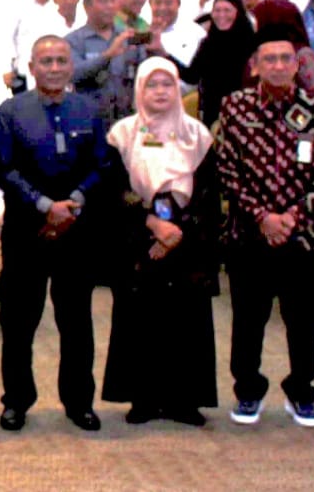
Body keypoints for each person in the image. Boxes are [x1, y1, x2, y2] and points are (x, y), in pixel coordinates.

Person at [215, 27, 314, 429]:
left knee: (303, 322)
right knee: (248, 321)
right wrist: (262, 216)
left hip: (302, 237)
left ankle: (301, 392)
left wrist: (292, 217)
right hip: (248, 235)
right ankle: (248, 390)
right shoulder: (235, 107)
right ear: (255, 66)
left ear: (297, 65)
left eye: (286, 59)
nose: (279, 66)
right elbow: (226, 169)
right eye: (270, 59)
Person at [0, 35, 112, 433]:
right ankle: (16, 401)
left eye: (62, 61)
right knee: (18, 322)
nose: (55, 68)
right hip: (26, 230)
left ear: (71, 66)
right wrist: (45, 205)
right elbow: (4, 169)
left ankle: (79, 402)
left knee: (76, 321)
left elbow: (102, 164)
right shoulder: (11, 111)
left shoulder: (89, 109)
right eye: (47, 61)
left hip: (77, 230)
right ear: (32, 67)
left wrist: (73, 202)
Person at [102, 58, 219, 426]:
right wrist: (151, 224)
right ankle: (144, 399)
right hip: (139, 239)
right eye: (151, 85)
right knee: (141, 320)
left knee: (186, 321)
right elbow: (113, 190)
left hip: (188, 240)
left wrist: (178, 231)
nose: (160, 92)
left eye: (167, 84)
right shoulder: (122, 134)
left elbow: (209, 193)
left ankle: (185, 401)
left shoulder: (197, 135)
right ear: (139, 89)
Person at [67, 0, 148, 122]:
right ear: (86, 6)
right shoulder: (74, 41)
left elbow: (144, 74)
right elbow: (72, 73)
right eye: (103, 1)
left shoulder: (128, 36)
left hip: (127, 119)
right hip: (89, 118)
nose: (110, 6)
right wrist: (107, 56)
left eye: (113, 0)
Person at [173, 0, 257, 129]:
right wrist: (165, 55)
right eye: (217, 10)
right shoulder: (208, 44)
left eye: (227, 10)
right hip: (211, 113)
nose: (221, 15)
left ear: (238, 13)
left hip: (244, 112)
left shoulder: (251, 44)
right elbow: (191, 76)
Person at [149, 0, 205, 65]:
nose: (162, 8)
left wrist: (161, 51)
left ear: (178, 4)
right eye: (158, 3)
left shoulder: (195, 33)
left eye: (168, 3)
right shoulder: (140, 30)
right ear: (150, 3)